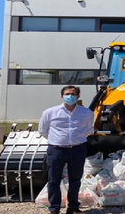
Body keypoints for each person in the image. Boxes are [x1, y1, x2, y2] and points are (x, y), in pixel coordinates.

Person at [38, 86, 95, 214]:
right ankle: (54, 208)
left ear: (78, 96)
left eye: (73, 94)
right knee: (54, 180)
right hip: (56, 150)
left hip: (78, 149)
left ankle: (73, 207)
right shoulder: (50, 112)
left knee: (75, 180)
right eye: (67, 94)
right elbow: (43, 130)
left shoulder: (86, 113)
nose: (70, 96)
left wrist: (75, 140)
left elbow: (88, 129)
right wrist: (58, 140)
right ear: (62, 96)